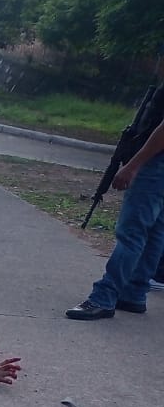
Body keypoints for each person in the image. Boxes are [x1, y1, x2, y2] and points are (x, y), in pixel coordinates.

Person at [66, 108, 164, 319]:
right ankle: (133, 293)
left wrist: (133, 165)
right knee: (155, 230)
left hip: (156, 162)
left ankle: (103, 297)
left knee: (132, 232)